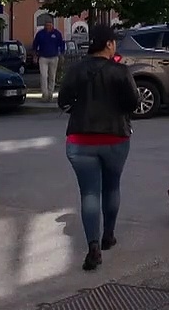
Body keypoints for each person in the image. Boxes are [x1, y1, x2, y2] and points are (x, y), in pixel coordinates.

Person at [57, 24, 140, 271]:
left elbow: (63, 102)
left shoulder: (75, 70)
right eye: (114, 42)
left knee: (89, 193)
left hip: (80, 141)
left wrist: (80, 109)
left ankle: (93, 248)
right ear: (108, 44)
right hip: (115, 138)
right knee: (112, 186)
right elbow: (133, 103)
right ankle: (108, 236)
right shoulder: (120, 71)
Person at [33, 18, 66, 102]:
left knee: (52, 76)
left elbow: (61, 44)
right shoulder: (40, 34)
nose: (48, 27)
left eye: (50, 25)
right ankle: (45, 93)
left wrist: (61, 54)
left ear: (52, 25)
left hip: (54, 57)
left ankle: (50, 93)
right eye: (47, 25)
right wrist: (35, 55)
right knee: (43, 76)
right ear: (45, 25)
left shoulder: (57, 33)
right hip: (43, 57)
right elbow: (35, 44)